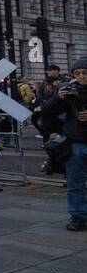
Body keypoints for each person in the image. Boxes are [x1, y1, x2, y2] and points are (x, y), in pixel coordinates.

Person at [41, 56, 87, 231]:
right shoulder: (69, 90)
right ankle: (78, 217)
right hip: (75, 142)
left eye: (85, 73)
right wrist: (58, 97)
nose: (82, 76)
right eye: (78, 73)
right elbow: (46, 111)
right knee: (75, 184)